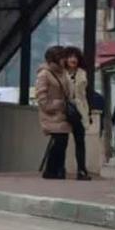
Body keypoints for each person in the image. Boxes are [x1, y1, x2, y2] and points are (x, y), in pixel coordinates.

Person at [35, 46, 70, 179]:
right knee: (59, 141)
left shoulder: (64, 73)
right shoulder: (44, 74)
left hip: (63, 113)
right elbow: (41, 97)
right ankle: (51, 169)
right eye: (62, 57)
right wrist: (54, 105)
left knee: (63, 141)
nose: (64, 60)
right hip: (52, 114)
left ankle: (58, 169)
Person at [63, 46, 91, 180]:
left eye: (75, 57)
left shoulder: (82, 73)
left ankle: (81, 170)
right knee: (61, 140)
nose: (73, 59)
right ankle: (59, 168)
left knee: (80, 140)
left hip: (79, 110)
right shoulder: (61, 73)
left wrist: (87, 113)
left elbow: (85, 95)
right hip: (64, 108)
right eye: (70, 57)